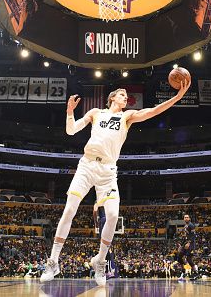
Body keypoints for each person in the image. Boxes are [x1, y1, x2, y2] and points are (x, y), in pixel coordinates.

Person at [41, 81, 191, 286]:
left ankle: (100, 261)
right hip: (86, 166)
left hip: (108, 172)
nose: (125, 97)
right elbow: (71, 130)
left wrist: (177, 98)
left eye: (126, 95)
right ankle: (53, 262)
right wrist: (69, 112)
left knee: (112, 216)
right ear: (112, 98)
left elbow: (153, 111)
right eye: (122, 94)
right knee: (69, 210)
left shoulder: (126, 117)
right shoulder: (95, 112)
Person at [93, 201, 118, 279]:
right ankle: (108, 271)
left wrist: (96, 222)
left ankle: (109, 271)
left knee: (104, 246)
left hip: (103, 220)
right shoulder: (109, 200)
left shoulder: (98, 201)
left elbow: (94, 211)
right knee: (107, 248)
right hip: (110, 220)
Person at [177, 214, 198, 281]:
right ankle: (183, 273)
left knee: (189, 259)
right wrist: (180, 245)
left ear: (189, 218)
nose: (186, 218)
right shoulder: (185, 226)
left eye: (187, 217)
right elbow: (184, 237)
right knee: (179, 258)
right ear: (183, 219)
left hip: (191, 244)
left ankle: (195, 274)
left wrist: (189, 242)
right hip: (185, 243)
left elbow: (194, 236)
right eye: (185, 217)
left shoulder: (191, 225)